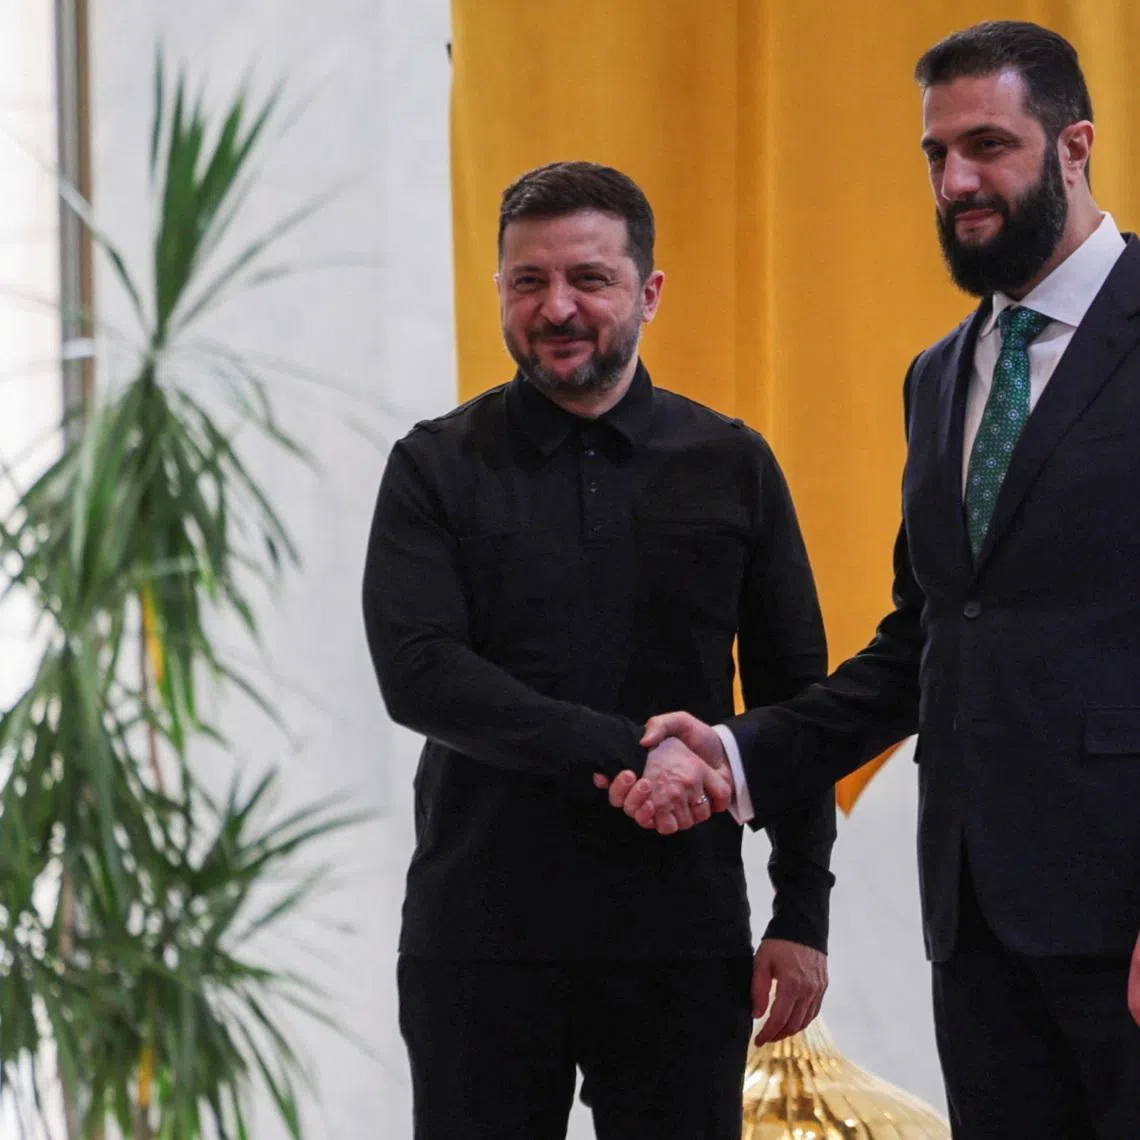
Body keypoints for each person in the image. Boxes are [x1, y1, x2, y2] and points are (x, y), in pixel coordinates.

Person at [607, 20, 1140, 1139]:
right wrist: (737, 752)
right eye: (936, 156)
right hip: (980, 924)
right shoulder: (940, 377)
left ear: (1077, 144)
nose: (957, 182)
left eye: (988, 146)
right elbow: (929, 641)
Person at [362, 160, 836, 1139]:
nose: (558, 307)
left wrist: (801, 913)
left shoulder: (733, 464)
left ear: (649, 292)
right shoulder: (433, 466)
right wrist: (631, 748)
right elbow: (421, 676)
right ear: (498, 290)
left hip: (681, 941)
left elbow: (798, 699)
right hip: (480, 940)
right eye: (528, 281)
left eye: (590, 278)